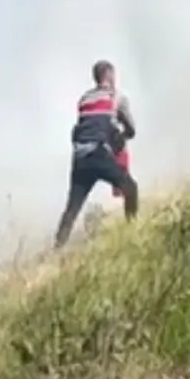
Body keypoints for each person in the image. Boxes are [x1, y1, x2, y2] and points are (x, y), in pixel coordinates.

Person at [55, 60, 139, 248]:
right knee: (130, 188)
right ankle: (132, 232)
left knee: (72, 208)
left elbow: (80, 128)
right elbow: (131, 129)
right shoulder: (115, 97)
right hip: (99, 154)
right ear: (109, 75)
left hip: (79, 158)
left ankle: (57, 248)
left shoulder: (84, 99)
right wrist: (122, 136)